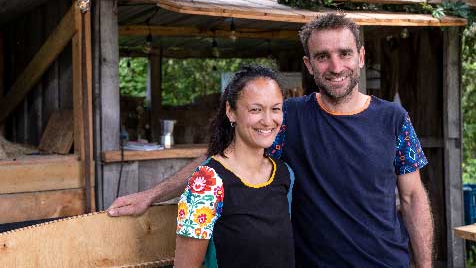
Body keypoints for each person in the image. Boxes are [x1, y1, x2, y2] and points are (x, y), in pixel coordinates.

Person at [108, 14, 433, 268]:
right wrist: (152, 194)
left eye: (344, 53)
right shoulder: (287, 118)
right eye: (322, 57)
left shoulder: (394, 119)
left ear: (360, 57)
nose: (336, 67)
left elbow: (413, 197)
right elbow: (222, 161)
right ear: (308, 65)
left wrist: (425, 263)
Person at [174, 65, 295, 268]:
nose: (267, 121)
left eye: (275, 109)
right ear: (231, 112)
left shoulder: (284, 174)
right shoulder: (206, 182)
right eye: (255, 109)